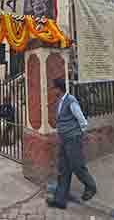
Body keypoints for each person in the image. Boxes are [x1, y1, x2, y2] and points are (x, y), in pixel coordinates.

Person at [47, 77, 97, 209]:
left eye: (54, 88)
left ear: (59, 89)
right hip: (63, 140)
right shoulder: (60, 102)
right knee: (63, 169)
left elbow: (82, 121)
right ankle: (60, 200)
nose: (53, 91)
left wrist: (78, 135)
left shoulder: (71, 101)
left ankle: (91, 187)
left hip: (73, 139)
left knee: (77, 165)